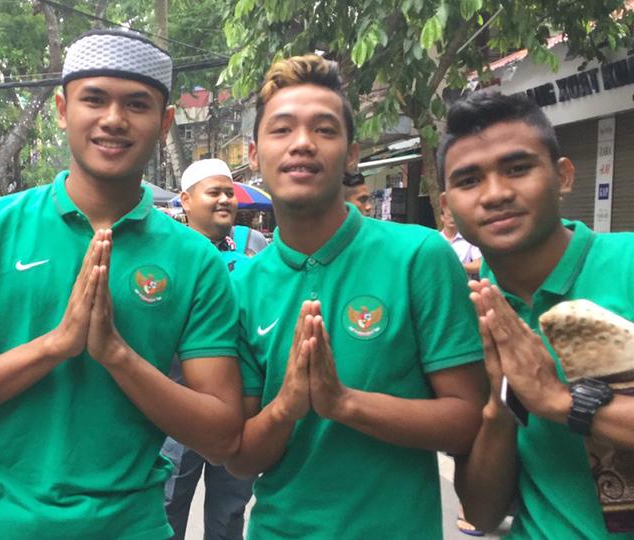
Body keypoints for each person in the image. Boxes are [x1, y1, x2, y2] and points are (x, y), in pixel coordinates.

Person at [0, 29, 243, 539]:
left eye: (136, 104)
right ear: (63, 109)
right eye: (94, 99)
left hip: (131, 526)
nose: (113, 119)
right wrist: (54, 347)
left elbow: (221, 434)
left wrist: (116, 354)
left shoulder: (195, 261)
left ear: (164, 121)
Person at [226, 54, 486, 539]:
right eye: (282, 130)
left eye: (324, 129)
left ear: (350, 153)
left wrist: (343, 403)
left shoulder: (418, 256)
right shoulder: (242, 287)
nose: (302, 143)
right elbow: (240, 457)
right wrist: (287, 405)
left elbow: (468, 420)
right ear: (255, 153)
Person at [441, 91, 634, 539]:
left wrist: (560, 401)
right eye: (469, 181)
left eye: (518, 168)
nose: (496, 194)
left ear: (563, 175)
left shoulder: (626, 265)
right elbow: (483, 513)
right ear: (448, 206)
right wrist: (499, 407)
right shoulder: (469, 314)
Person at [164, 158, 254, 539]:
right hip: (179, 409)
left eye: (229, 193)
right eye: (213, 192)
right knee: (167, 507)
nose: (224, 200)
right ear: (185, 200)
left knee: (230, 514)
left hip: (241, 409)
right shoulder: (167, 253)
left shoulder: (254, 248)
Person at [439, 202, 482, 280]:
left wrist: (456, 267)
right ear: (442, 217)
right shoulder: (436, 240)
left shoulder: (468, 239)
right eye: (449, 215)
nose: (452, 219)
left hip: (464, 286)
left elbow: (478, 265)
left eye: (454, 216)